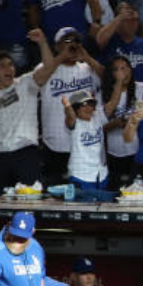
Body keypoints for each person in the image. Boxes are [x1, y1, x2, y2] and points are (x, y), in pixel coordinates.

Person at [39, 26, 104, 185]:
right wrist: (62, 56)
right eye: (67, 41)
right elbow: (39, 79)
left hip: (85, 146)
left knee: (82, 198)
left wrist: (87, 57)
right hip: (56, 145)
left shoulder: (87, 68)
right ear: (56, 46)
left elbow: (109, 78)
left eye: (76, 41)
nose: (72, 44)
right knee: (54, 197)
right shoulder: (46, 69)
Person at [0, 29, 57, 189]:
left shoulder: (26, 83)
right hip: (1, 157)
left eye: (10, 65)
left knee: (29, 204)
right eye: (2, 66)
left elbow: (50, 67)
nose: (8, 69)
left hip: (25, 155)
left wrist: (42, 43)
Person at [62, 88, 119, 190]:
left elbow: (113, 103)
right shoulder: (75, 123)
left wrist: (120, 81)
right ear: (76, 108)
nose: (89, 108)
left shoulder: (97, 117)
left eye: (91, 104)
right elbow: (70, 116)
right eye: (84, 105)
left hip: (101, 174)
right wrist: (67, 106)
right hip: (80, 175)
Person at [100, 54, 139, 190]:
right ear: (111, 74)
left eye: (125, 68)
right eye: (117, 69)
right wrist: (115, 124)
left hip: (136, 150)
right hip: (113, 152)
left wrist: (133, 121)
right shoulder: (103, 94)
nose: (122, 73)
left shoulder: (140, 89)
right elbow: (98, 127)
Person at [95, 1, 143, 86]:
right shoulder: (109, 41)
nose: (132, 23)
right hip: (115, 90)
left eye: (135, 20)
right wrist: (120, 17)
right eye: (127, 20)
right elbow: (99, 39)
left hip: (139, 93)